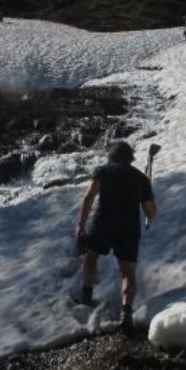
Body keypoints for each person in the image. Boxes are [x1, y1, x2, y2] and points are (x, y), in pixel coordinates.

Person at [76, 141, 158, 332]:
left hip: (103, 222)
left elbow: (89, 197)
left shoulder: (103, 171)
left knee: (91, 257)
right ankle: (126, 312)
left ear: (111, 157)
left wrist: (80, 225)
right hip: (129, 228)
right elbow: (151, 213)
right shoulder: (141, 178)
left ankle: (86, 295)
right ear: (130, 159)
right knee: (127, 272)